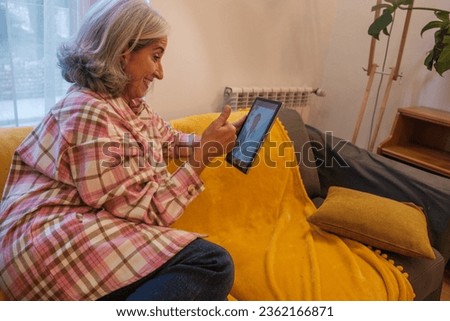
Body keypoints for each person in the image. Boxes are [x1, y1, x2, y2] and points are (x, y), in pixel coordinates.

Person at [0, 0, 244, 301]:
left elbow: (169, 140)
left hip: (81, 226)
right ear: (122, 52)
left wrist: (222, 136)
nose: (160, 72)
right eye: (156, 56)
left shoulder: (126, 104)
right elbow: (149, 211)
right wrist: (202, 156)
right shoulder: (88, 112)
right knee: (212, 264)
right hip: (44, 241)